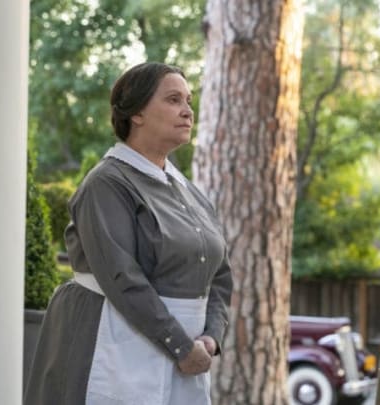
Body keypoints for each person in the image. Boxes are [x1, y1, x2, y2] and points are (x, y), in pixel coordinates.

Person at [24, 62, 233, 405]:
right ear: (136, 112)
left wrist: (211, 336)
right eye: (173, 99)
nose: (187, 111)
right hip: (117, 340)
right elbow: (122, 277)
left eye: (189, 101)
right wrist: (180, 345)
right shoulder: (106, 184)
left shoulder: (189, 193)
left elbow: (221, 273)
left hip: (188, 352)